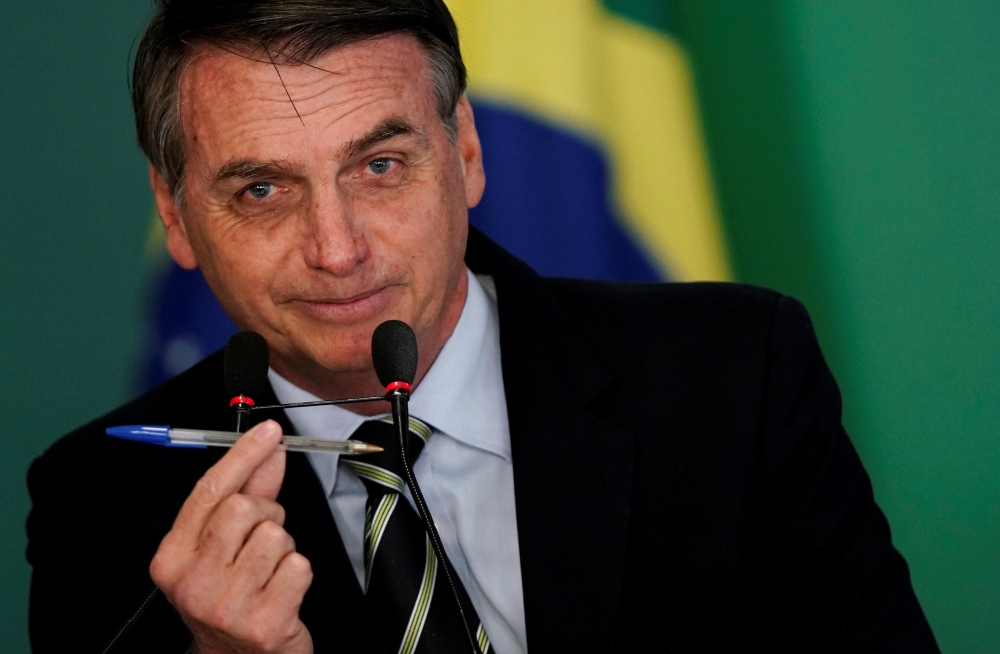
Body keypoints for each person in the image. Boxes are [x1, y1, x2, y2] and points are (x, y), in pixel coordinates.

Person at [26, 1, 940, 652]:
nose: (337, 250)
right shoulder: (104, 504)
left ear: (463, 152)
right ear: (177, 214)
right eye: (262, 190)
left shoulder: (736, 379)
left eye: (380, 165)